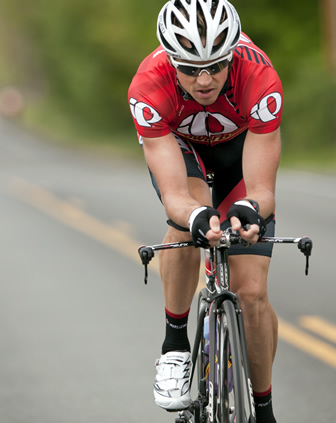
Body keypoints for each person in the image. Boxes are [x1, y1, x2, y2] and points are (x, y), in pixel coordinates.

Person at [128, 1, 282, 422]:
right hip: (183, 151)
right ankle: (174, 347)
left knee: (252, 293)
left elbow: (263, 188)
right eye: (191, 68)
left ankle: (263, 408)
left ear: (231, 54)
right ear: (170, 61)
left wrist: (251, 208)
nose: (204, 80)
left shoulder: (259, 76)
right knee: (187, 216)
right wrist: (196, 217)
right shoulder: (149, 87)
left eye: (216, 66)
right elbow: (176, 195)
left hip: (239, 154)